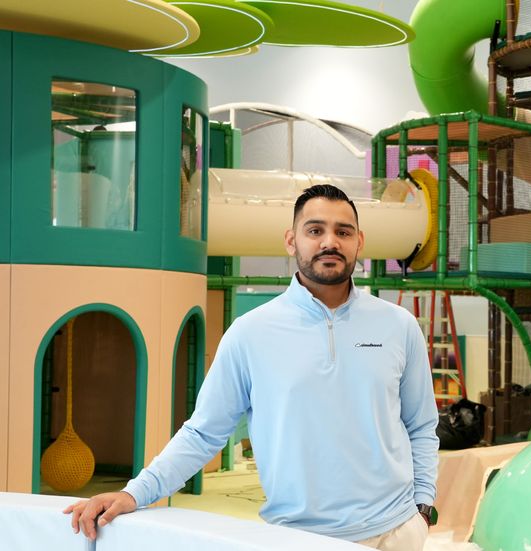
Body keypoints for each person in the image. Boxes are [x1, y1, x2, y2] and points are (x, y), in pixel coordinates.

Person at [65, 184, 439, 551]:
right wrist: (135, 492)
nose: (330, 242)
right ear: (291, 242)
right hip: (298, 538)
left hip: (396, 532)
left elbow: (421, 425)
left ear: (359, 241)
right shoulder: (251, 333)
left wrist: (422, 509)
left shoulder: (397, 325)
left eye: (343, 232)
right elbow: (203, 433)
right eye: (315, 230)